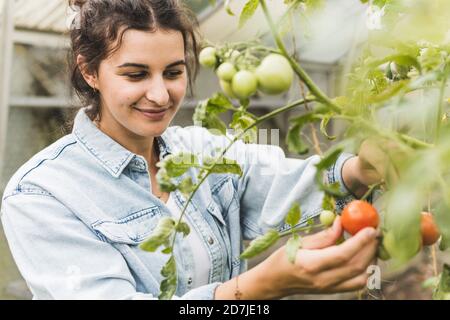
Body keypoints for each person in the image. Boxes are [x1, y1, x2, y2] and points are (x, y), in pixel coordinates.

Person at [0, 0, 380, 300]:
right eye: (135, 74)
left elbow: (283, 180)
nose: (161, 95)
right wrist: (256, 290)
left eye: (173, 72)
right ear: (89, 71)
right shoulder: (42, 194)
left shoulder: (200, 150)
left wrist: (360, 169)